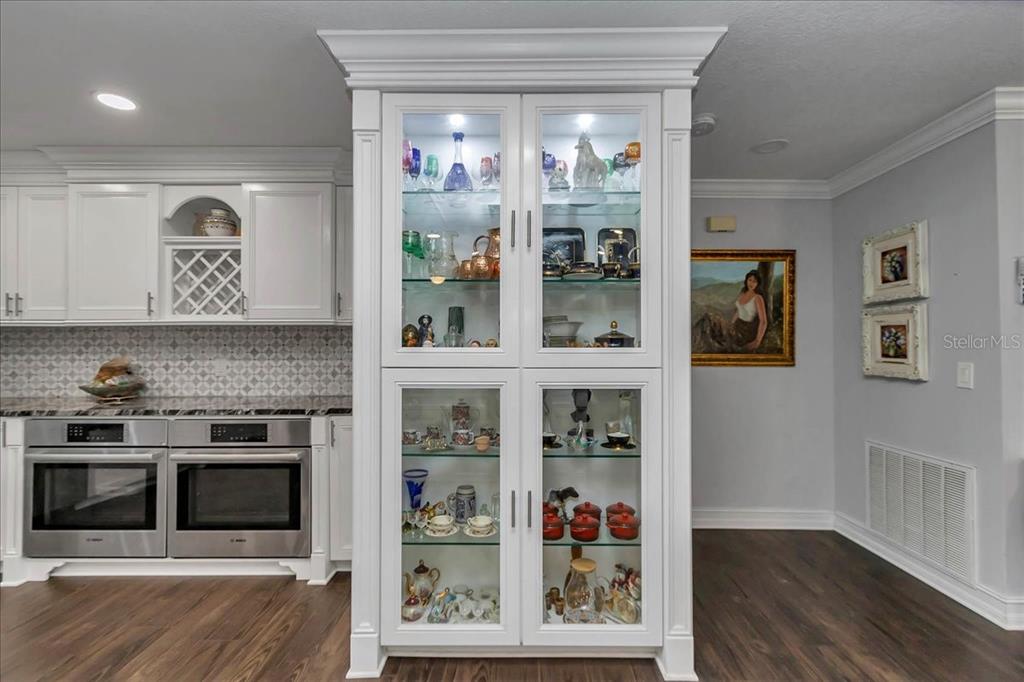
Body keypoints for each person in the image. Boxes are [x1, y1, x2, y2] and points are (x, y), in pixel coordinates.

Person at [731, 270, 768, 351]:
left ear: (758, 284)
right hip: (737, 326)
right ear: (746, 280)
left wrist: (757, 341)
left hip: (747, 330)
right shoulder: (743, 293)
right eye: (750, 280)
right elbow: (739, 311)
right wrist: (731, 324)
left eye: (754, 281)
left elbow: (763, 321)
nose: (751, 283)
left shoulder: (758, 297)